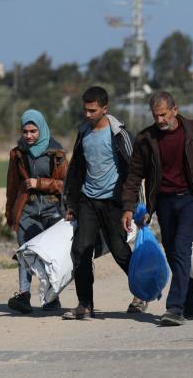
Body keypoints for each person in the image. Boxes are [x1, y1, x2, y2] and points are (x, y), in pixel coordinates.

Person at [121, 92, 193, 326]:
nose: (160, 120)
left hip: (191, 200)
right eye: (156, 116)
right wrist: (128, 207)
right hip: (164, 202)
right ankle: (191, 299)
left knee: (182, 248)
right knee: (173, 253)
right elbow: (135, 174)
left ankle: (175, 308)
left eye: (163, 115)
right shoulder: (146, 139)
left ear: (175, 110)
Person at [62, 86, 145, 320]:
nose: (87, 114)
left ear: (105, 109)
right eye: (85, 110)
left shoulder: (118, 134)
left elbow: (133, 170)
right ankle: (85, 304)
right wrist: (71, 202)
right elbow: (76, 169)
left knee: (119, 250)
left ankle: (141, 293)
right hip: (88, 200)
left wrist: (133, 206)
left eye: (92, 110)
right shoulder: (83, 132)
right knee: (81, 249)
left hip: (113, 201)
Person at [5, 110, 67, 314]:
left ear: (42, 129)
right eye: (25, 131)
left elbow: (65, 184)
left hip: (53, 211)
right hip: (27, 210)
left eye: (33, 131)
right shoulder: (18, 154)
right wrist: (10, 213)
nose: (29, 136)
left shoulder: (56, 154)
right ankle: (23, 295)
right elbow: (13, 186)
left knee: (49, 256)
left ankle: (51, 297)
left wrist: (39, 183)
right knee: (25, 253)